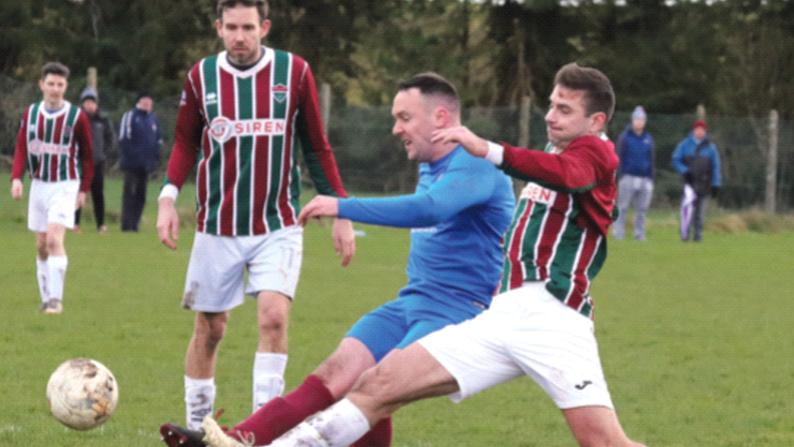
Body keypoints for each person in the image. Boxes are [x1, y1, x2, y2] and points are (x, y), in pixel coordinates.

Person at [209, 62, 646, 447]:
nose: (551, 116)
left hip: (552, 318)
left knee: (604, 442)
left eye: (564, 110)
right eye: (551, 105)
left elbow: (564, 175)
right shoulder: (549, 150)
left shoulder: (596, 153)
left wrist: (490, 150)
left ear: (597, 121)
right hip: (503, 313)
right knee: (376, 384)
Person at [159, 72, 515, 447]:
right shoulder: (430, 162)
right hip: (413, 301)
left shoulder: (476, 163)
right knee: (335, 375)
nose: (396, 129)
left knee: (372, 388)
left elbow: (430, 209)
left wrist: (343, 206)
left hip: (458, 313)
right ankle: (234, 439)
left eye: (404, 118)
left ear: (441, 117)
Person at [154, 0, 356, 433]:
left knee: (273, 317)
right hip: (216, 226)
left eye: (248, 27)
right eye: (231, 27)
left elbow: (317, 146)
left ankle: (262, 431)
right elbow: (185, 142)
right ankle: (197, 429)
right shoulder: (201, 77)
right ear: (218, 28)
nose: (240, 36)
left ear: (264, 26)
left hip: (277, 223)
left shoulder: (295, 72)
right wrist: (168, 198)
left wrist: (340, 209)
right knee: (211, 330)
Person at [9, 62, 93, 314]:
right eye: (51, 84)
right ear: (41, 85)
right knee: (42, 244)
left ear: (66, 86)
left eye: (60, 84)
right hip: (39, 184)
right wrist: (16, 178)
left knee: (55, 238)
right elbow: (22, 147)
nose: (55, 89)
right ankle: (46, 298)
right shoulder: (31, 113)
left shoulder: (76, 116)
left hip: (65, 183)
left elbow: (89, 155)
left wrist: (83, 189)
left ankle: (56, 300)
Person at [671, 119, 721, 242]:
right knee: (687, 212)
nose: (699, 132)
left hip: (705, 184)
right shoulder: (684, 144)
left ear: (705, 131)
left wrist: (716, 184)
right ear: (694, 130)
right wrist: (685, 171)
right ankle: (685, 236)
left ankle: (698, 237)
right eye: (697, 129)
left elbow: (716, 167)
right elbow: (675, 159)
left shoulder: (711, 147)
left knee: (700, 214)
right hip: (689, 183)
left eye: (702, 130)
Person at [74, 87, 115, 233]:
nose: (90, 105)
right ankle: (75, 223)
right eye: (87, 102)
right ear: (83, 104)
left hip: (97, 163)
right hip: (79, 163)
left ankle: (101, 224)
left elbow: (110, 139)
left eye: (92, 102)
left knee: (98, 194)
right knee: (77, 193)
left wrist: (104, 155)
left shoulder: (102, 120)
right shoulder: (77, 119)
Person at [119, 91, 162, 232]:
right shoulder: (130, 116)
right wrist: (132, 157)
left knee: (141, 195)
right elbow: (124, 139)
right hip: (131, 165)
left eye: (150, 103)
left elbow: (158, 140)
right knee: (129, 194)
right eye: (145, 102)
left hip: (146, 165)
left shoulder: (153, 119)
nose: (148, 105)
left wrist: (155, 159)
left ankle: (135, 224)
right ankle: (126, 224)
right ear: (139, 102)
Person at [612, 106, 655, 241]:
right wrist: (621, 175)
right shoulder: (625, 138)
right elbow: (619, 157)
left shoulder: (648, 139)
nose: (639, 122)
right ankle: (618, 233)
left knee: (642, 209)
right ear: (632, 120)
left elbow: (652, 158)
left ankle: (639, 234)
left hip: (645, 179)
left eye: (642, 119)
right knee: (623, 207)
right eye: (637, 119)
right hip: (628, 177)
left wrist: (650, 178)